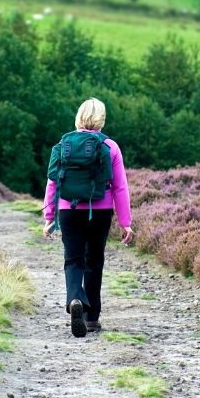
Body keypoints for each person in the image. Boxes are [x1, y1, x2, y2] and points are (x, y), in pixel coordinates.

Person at [42, 98, 134, 338]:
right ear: (101, 120)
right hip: (100, 211)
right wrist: (125, 222)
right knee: (94, 261)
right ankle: (91, 319)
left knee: (73, 259)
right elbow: (120, 187)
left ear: (79, 117)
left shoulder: (64, 144)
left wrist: (49, 217)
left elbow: (53, 181)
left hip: (68, 210)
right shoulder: (111, 146)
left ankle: (74, 298)